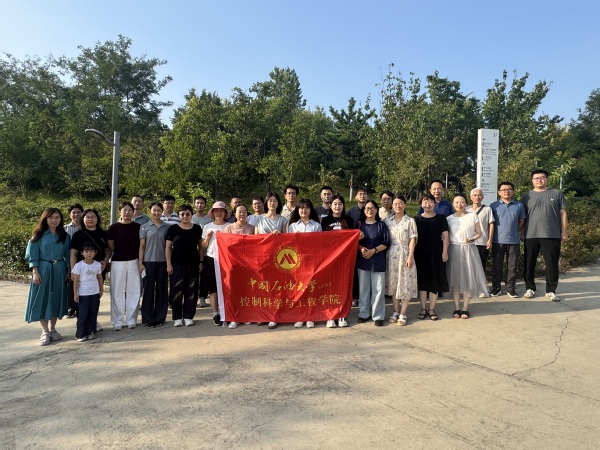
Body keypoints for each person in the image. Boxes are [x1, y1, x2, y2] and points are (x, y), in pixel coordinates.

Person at [25, 208, 71, 346]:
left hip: (59, 269)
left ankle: (53, 329)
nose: (54, 220)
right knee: (43, 298)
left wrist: (68, 269)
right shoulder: (38, 235)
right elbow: (32, 255)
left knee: (56, 298)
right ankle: (44, 331)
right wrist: (35, 272)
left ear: (60, 219)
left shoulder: (64, 235)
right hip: (43, 269)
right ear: (45, 219)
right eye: (51, 217)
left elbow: (68, 255)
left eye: (57, 217)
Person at [522, 169, 568, 302]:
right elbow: (522, 217)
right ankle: (530, 288)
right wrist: (521, 233)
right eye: (536, 178)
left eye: (542, 177)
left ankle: (550, 290)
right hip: (530, 234)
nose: (539, 180)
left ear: (547, 179)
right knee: (529, 263)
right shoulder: (526, 196)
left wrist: (564, 231)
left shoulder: (557, 194)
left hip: (551, 234)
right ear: (532, 180)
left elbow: (563, 214)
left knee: (552, 263)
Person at [446, 195, 489, 319]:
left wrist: (471, 239)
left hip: (469, 249)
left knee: (468, 279)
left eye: (462, 202)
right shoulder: (449, 218)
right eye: (456, 202)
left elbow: (479, 233)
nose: (459, 204)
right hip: (454, 249)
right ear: (453, 204)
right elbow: (446, 236)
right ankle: (456, 307)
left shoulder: (472, 216)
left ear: (466, 203)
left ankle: (465, 308)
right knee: (455, 281)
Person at [70, 209, 110, 333]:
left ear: (97, 219)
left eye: (93, 217)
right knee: (82, 298)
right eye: (88, 217)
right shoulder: (78, 235)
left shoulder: (103, 234)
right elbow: (73, 253)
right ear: (83, 219)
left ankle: (93, 323)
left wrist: (105, 260)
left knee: (95, 297)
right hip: (81, 270)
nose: (91, 219)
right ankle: (82, 325)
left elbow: (108, 250)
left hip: (98, 269)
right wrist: (73, 271)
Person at [254, 192, 288, 329]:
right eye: (270, 201)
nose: (272, 203)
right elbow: (256, 238)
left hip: (278, 258)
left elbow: (287, 240)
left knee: (276, 287)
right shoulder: (259, 219)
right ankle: (263, 314)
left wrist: (279, 236)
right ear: (266, 203)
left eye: (275, 201)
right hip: (263, 256)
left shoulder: (283, 220)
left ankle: (275, 315)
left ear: (278, 203)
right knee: (263, 287)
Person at [287, 199, 322, 328]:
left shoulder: (316, 226)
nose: (304, 210)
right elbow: (288, 245)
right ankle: (300, 316)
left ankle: (310, 316)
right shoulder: (292, 226)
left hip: (312, 261)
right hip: (297, 262)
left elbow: (319, 244)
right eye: (301, 208)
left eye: (307, 208)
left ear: (310, 210)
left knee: (310, 289)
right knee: (299, 289)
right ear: (297, 210)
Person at [166, 204, 203, 327]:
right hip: (177, 264)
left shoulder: (197, 228)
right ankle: (177, 317)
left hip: (193, 264)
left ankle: (188, 316)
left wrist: (201, 262)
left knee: (191, 290)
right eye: (182, 214)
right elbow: (168, 247)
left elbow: (200, 247)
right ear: (179, 215)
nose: (185, 216)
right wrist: (168, 264)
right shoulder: (173, 229)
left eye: (188, 214)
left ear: (191, 215)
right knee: (176, 290)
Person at [414, 193, 449, 321]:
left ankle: (432, 309)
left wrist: (445, 252)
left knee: (434, 280)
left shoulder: (441, 218)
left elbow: (445, 236)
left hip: (436, 253)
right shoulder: (416, 219)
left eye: (430, 201)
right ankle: (423, 308)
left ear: (434, 203)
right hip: (420, 254)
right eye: (425, 201)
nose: (427, 204)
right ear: (421, 204)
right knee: (422, 281)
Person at [107, 202, 141, 331]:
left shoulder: (138, 227)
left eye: (129, 210)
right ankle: (117, 321)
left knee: (134, 291)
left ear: (133, 212)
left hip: (134, 261)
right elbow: (111, 245)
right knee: (117, 292)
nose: (127, 212)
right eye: (124, 210)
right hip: (118, 262)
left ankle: (132, 320)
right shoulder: (114, 228)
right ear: (120, 211)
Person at [321, 194, 354, 327]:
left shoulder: (348, 220)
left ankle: (342, 314)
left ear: (343, 206)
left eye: (340, 204)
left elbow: (353, 236)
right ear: (330, 206)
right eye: (335, 204)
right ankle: (331, 316)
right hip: (329, 258)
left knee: (343, 286)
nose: (337, 206)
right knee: (330, 286)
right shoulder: (325, 221)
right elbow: (321, 240)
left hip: (345, 258)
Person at [385, 195, 418, 326]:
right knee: (393, 284)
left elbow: (412, 239)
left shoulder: (410, 221)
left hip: (405, 254)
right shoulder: (387, 221)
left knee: (405, 283)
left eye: (400, 203)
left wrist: (411, 255)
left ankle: (403, 313)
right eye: (395, 204)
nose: (398, 206)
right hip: (391, 255)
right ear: (392, 206)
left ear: (405, 205)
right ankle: (396, 311)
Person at [356, 200, 390, 327]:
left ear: (376, 210)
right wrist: (361, 248)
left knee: (378, 289)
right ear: (364, 210)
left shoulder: (382, 225)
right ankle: (364, 313)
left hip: (378, 261)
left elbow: (386, 242)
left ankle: (378, 315)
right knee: (363, 289)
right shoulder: (359, 225)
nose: (369, 210)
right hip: (363, 260)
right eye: (367, 208)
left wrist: (373, 251)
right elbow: (354, 241)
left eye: (372, 208)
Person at [490, 182, 526, 298]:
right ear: (499, 192)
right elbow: (490, 223)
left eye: (509, 189)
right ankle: (496, 288)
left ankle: (511, 289)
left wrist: (515, 230)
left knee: (512, 266)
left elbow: (522, 221)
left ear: (513, 191)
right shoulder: (493, 206)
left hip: (514, 241)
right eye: (504, 189)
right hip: (497, 240)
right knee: (497, 266)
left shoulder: (519, 205)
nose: (506, 191)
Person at [139, 202, 170, 327]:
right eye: (154, 210)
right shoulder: (144, 227)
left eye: (159, 210)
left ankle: (160, 317)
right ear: (150, 211)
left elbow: (169, 247)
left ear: (162, 211)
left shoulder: (167, 227)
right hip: (148, 262)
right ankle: (148, 318)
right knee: (148, 290)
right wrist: (140, 263)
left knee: (162, 289)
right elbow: (142, 247)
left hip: (163, 262)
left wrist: (169, 263)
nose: (156, 213)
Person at [224, 204, 256, 329]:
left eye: (244, 211)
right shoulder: (228, 228)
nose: (242, 214)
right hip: (234, 265)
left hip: (249, 265)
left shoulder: (252, 228)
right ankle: (234, 317)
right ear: (234, 214)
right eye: (239, 211)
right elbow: (225, 246)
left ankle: (247, 316)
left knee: (248, 291)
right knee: (234, 291)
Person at [201, 201, 230, 326]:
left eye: (221, 210)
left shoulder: (229, 226)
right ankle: (215, 314)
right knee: (213, 289)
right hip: (211, 259)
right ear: (212, 213)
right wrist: (208, 237)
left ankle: (227, 312)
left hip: (226, 260)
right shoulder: (207, 227)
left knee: (227, 287)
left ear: (225, 213)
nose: (219, 213)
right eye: (216, 211)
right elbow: (203, 246)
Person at [71, 242, 103, 341]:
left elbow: (100, 277)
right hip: (83, 293)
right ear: (82, 253)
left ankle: (90, 332)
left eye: (91, 251)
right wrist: (75, 293)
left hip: (94, 292)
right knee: (83, 314)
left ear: (95, 252)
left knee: (93, 313)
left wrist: (101, 289)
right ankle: (80, 334)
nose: (89, 253)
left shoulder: (97, 264)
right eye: (86, 251)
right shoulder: (79, 265)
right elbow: (76, 280)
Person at [466, 188, 495, 297]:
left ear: (482, 197)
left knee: (481, 266)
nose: (477, 197)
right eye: (474, 195)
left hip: (482, 242)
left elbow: (491, 224)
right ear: (470, 197)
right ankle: (469, 289)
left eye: (479, 195)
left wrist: (490, 239)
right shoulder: (466, 209)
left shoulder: (487, 209)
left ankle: (481, 289)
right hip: (469, 243)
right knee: (469, 267)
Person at [347, 186, 369, 306]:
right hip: (355, 246)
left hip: (369, 245)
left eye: (364, 193)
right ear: (356, 196)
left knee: (366, 272)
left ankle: (365, 297)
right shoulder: (351, 212)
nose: (362, 196)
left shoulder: (370, 209)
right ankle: (354, 296)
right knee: (355, 272)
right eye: (360, 194)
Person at [64, 203, 83, 318]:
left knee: (83, 284)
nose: (76, 214)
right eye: (74, 212)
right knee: (70, 284)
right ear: (70, 215)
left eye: (79, 212)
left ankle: (81, 307)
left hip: (84, 259)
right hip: (68, 260)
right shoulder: (64, 229)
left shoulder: (85, 227)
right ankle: (71, 307)